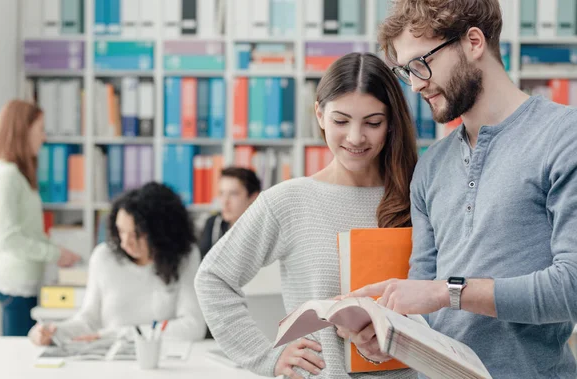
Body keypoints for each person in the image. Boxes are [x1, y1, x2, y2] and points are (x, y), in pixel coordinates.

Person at [336, 1, 577, 378]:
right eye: (405, 71)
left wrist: (447, 292)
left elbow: (571, 289)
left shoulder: (564, 137)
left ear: (474, 42)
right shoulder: (430, 167)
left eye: (421, 63)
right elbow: (423, 305)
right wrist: (388, 338)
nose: (415, 84)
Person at [195, 52, 418, 379]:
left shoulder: (419, 195)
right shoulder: (289, 200)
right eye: (341, 121)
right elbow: (212, 278)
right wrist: (266, 358)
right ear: (319, 114)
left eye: (373, 122)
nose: (356, 137)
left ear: (391, 123)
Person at [28, 182, 206, 345]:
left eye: (136, 234)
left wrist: (121, 334)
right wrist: (55, 332)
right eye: (121, 231)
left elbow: (193, 326)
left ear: (161, 233)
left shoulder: (185, 256)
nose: (125, 242)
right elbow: (89, 320)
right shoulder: (103, 257)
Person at [0, 100, 81, 337]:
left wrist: (55, 250)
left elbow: (28, 231)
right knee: (20, 357)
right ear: (22, 131)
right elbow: (9, 238)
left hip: (25, 281)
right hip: (16, 284)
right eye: (40, 130)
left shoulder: (15, 173)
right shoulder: (7, 175)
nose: (43, 138)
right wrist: (55, 254)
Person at [199, 166, 261, 260]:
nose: (225, 201)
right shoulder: (213, 223)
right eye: (221, 193)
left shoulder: (263, 230)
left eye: (233, 194)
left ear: (253, 197)